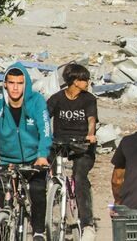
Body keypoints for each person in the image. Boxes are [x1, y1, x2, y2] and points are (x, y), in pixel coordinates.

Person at [0, 63, 53, 241]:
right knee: (1, 195)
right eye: (11, 82)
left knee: (37, 190)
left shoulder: (36, 101)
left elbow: (45, 131)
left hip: (34, 158)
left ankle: (38, 232)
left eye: (19, 83)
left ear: (25, 84)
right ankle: (1, 230)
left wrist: (42, 155)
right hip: (7, 160)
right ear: (4, 83)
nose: (15, 87)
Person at [46, 63, 98, 240]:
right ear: (75, 81)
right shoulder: (56, 99)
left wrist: (90, 135)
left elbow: (91, 120)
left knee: (79, 177)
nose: (88, 82)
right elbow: (45, 119)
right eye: (85, 79)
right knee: (45, 168)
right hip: (60, 143)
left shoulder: (89, 99)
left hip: (82, 145)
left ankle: (87, 224)